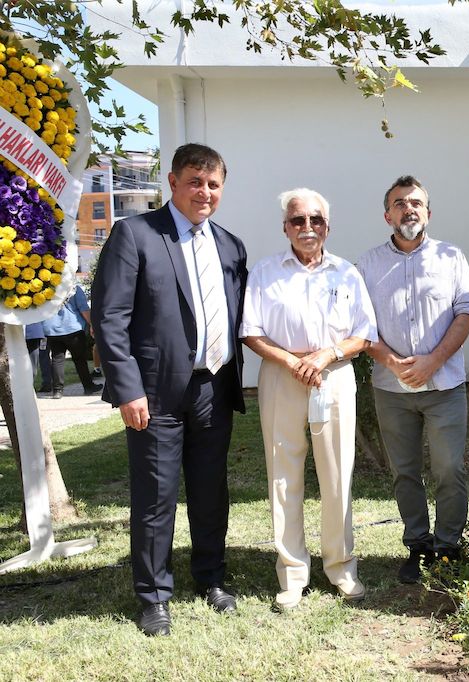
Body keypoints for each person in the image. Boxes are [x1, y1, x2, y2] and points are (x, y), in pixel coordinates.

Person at [91, 143, 247, 637]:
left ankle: (211, 578)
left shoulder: (230, 245)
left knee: (210, 492)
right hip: (154, 395)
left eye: (214, 184)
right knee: (156, 497)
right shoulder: (134, 234)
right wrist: (127, 388)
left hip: (213, 389)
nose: (205, 192)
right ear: (173, 183)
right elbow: (109, 318)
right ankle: (154, 596)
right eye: (195, 182)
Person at [241, 188, 376, 610]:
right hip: (282, 377)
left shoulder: (346, 272)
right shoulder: (265, 272)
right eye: (298, 220)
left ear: (327, 226)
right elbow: (250, 330)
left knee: (338, 475)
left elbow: (364, 333)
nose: (307, 227)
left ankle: (341, 567)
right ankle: (292, 572)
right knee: (284, 473)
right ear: (285, 227)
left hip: (333, 376)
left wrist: (326, 355)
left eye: (315, 220)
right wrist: (291, 360)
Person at [357, 175, 469, 584]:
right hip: (392, 390)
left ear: (428, 212)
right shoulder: (369, 264)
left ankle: (448, 547)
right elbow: (360, 327)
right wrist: (392, 362)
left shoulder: (451, 258)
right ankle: (417, 545)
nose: (408, 209)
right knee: (404, 471)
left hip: (444, 386)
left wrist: (433, 361)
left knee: (449, 469)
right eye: (399, 203)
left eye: (415, 202)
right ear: (387, 214)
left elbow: (467, 312)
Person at [41, 282, 103, 399]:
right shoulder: (73, 288)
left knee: (57, 359)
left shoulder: (47, 288)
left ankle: (57, 390)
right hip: (72, 328)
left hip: (52, 328)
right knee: (80, 359)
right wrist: (92, 324)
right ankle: (88, 386)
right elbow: (84, 309)